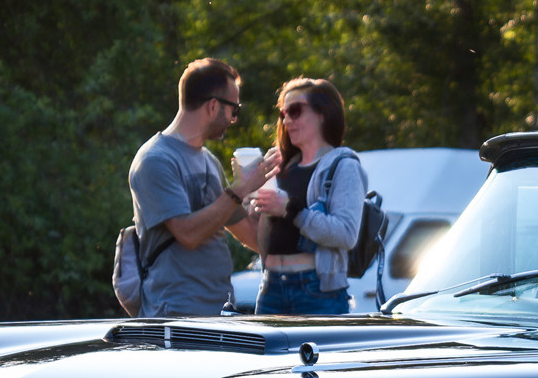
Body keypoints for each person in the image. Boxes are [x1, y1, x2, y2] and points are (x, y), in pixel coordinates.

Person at [127, 57, 272, 317]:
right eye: (234, 110)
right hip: (176, 314)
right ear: (213, 105)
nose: (234, 119)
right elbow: (187, 234)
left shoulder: (209, 161)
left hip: (219, 311)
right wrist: (238, 189)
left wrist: (266, 198)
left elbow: (250, 234)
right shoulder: (155, 159)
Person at [244, 78, 368, 315]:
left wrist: (291, 209)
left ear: (323, 113)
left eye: (295, 111)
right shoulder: (280, 164)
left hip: (317, 291)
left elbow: (346, 234)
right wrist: (249, 194)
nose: (287, 120)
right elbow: (260, 225)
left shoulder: (344, 165)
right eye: (284, 113)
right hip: (270, 287)